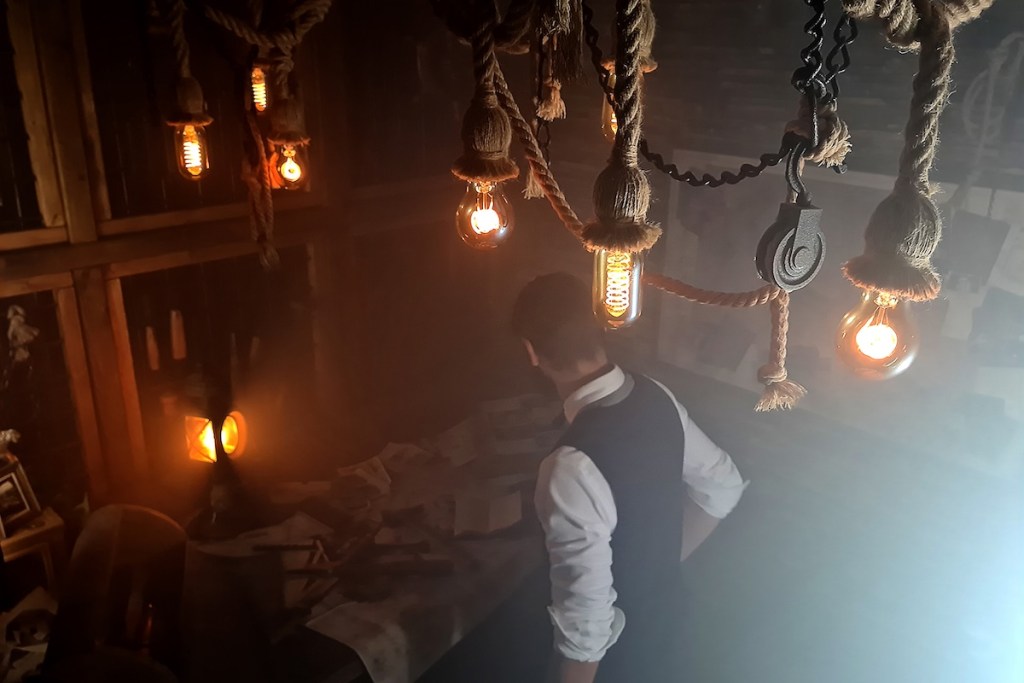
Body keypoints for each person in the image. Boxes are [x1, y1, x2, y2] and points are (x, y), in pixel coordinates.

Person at [511, 272, 747, 683]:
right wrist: (658, 567)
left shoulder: (569, 466)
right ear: (600, 327)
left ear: (531, 351)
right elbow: (722, 486)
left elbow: (585, 624)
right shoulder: (657, 394)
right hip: (670, 627)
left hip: (616, 663)